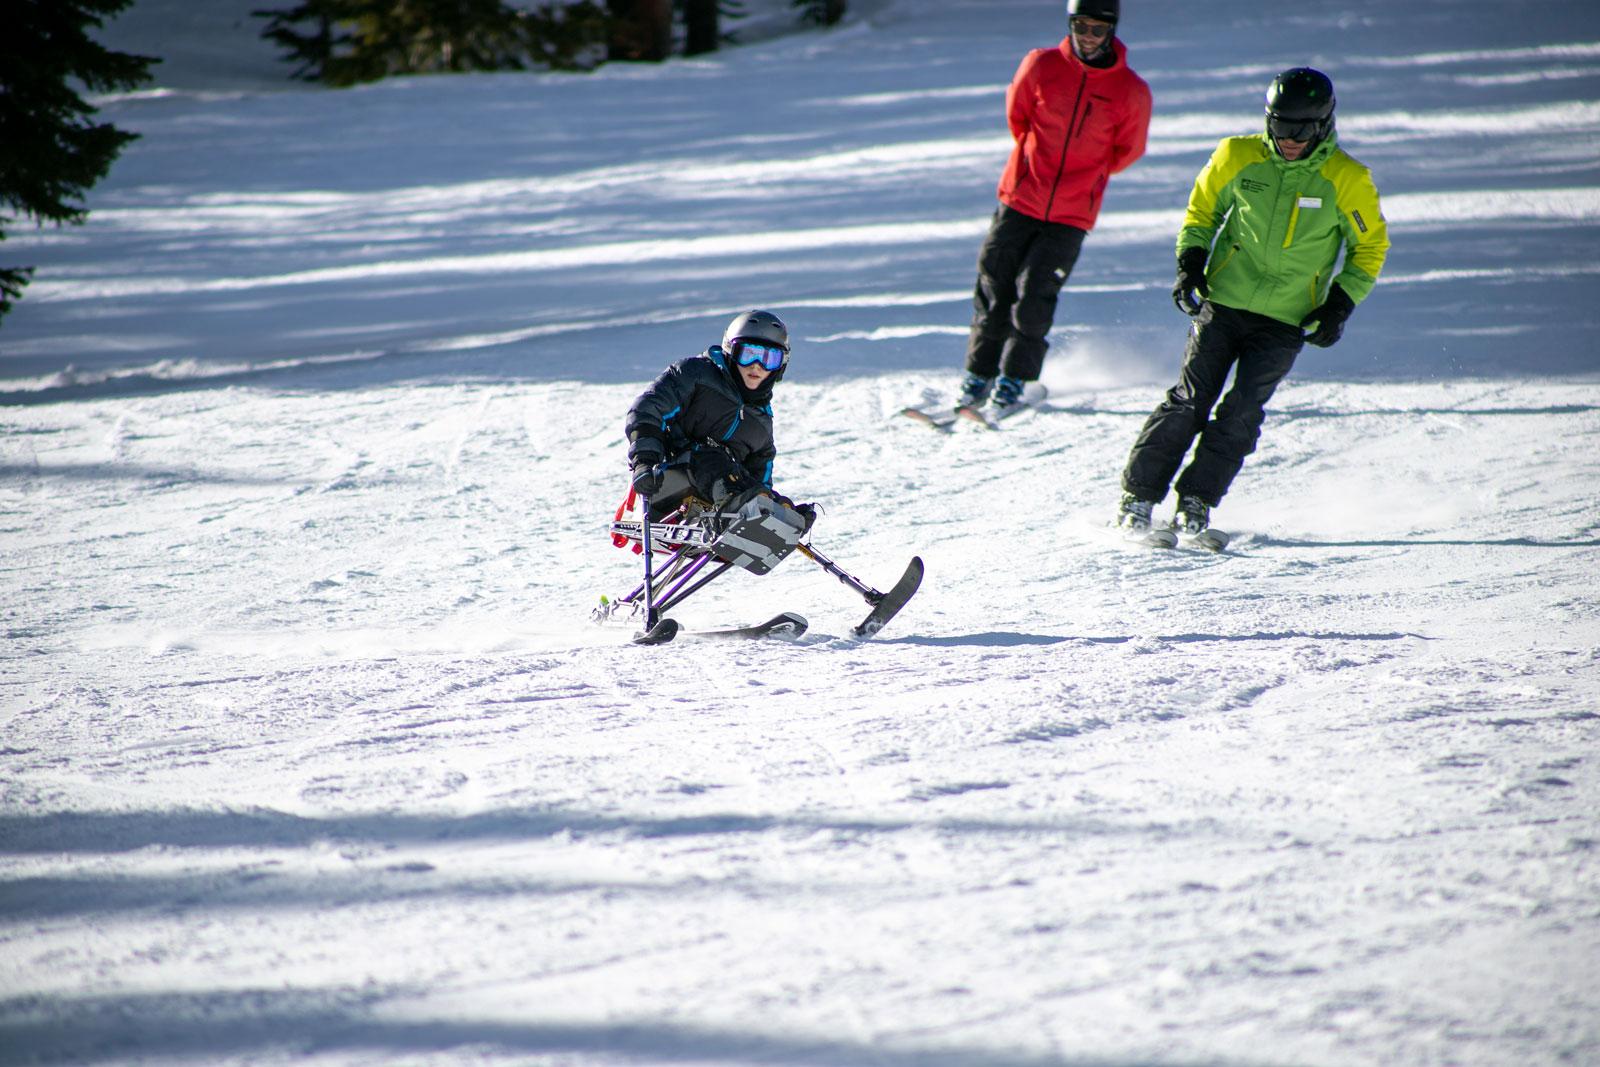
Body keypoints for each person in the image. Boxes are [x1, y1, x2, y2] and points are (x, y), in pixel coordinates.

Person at [1116, 67, 1390, 534]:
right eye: (1279, 125)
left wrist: (1339, 305)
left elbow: (1369, 248)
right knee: (1189, 400)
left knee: (1241, 410)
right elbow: (1202, 212)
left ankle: (1196, 502)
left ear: (1322, 124)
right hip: (1224, 302)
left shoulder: (1346, 179)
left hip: (1286, 318)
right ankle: (1137, 499)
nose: (1287, 138)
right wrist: (1191, 264)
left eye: (1299, 129)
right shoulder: (1236, 155)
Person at [955, 0, 1151, 414]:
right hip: (1020, 197)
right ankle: (978, 374)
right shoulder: (1041, 65)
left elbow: (1126, 150)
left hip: (1072, 213)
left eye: (1098, 30)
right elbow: (1018, 117)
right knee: (995, 284)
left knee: (1035, 295)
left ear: (1112, 32)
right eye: (1081, 27)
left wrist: (1086, 176)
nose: (1088, 37)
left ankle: (1015, 379)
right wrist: (1033, 167)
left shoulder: (1131, 90)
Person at [625, 309, 807, 525]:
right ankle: (741, 510)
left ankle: (778, 522)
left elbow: (760, 477)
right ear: (730, 350)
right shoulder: (695, 375)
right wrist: (644, 461)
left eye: (770, 358)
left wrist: (770, 502)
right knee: (711, 457)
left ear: (781, 366)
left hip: (713, 506)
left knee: (753, 489)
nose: (757, 365)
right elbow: (647, 409)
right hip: (662, 483)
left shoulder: (761, 422)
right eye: (748, 354)